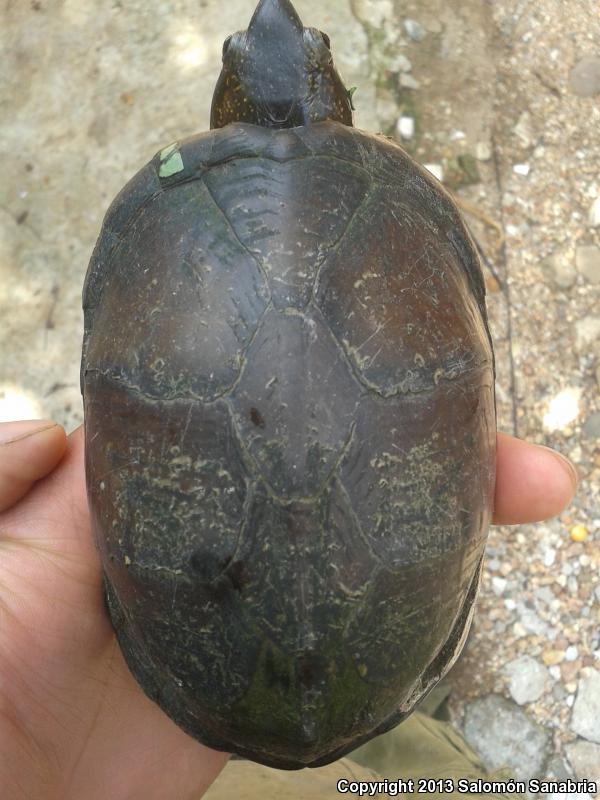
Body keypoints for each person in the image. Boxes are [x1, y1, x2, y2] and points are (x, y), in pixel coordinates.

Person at [0, 420, 577, 800]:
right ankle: (422, 726)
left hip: (198, 701)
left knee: (404, 757)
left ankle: (414, 724)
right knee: (428, 769)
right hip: (373, 675)